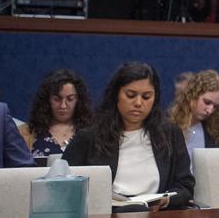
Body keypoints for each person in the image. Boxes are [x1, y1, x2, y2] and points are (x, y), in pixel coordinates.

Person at [63, 62, 194, 208]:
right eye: (130, 95)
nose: (138, 103)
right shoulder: (89, 137)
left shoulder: (170, 134)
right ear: (116, 95)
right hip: (107, 217)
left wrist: (166, 201)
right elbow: (63, 186)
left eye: (146, 97)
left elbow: (185, 186)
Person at [21, 69, 93, 158]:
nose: (63, 106)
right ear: (47, 100)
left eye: (70, 99)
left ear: (78, 100)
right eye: (57, 99)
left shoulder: (93, 132)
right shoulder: (26, 133)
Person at [167, 69, 219, 162]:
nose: (210, 110)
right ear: (192, 95)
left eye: (215, 106)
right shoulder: (168, 126)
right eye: (207, 102)